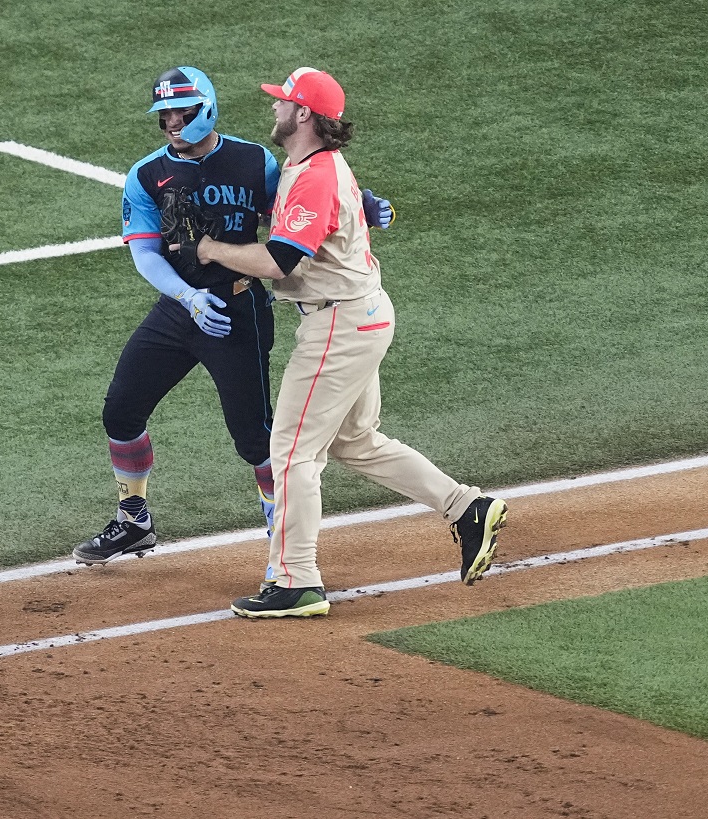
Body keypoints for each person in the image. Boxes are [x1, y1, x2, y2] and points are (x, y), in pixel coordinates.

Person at [188, 67, 508, 617]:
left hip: (339, 325)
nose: (274, 109)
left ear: (304, 115)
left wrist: (211, 249)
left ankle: (297, 581)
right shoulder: (312, 165)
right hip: (360, 315)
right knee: (355, 441)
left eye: (283, 102)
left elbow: (279, 260)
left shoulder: (314, 176)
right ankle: (466, 507)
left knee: (290, 454)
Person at [73, 66, 393, 568]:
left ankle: (280, 538)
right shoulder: (147, 175)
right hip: (181, 310)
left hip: (240, 310)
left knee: (255, 438)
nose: (172, 124)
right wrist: (187, 298)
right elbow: (145, 254)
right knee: (121, 409)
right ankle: (134, 519)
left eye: (181, 112)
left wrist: (361, 202)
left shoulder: (254, 162)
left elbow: (297, 209)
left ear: (205, 109)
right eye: (165, 115)